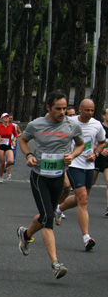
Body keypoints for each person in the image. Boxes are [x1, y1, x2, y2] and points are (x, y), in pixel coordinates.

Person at [17, 91, 84, 279]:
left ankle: (26, 234)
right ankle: (56, 263)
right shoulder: (36, 124)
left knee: (47, 214)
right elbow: (23, 140)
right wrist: (29, 155)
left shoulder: (72, 125)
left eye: (64, 108)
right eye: (58, 109)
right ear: (48, 107)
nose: (62, 112)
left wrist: (73, 155)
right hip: (39, 177)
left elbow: (80, 144)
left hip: (58, 177)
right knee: (48, 218)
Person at [55, 99, 105, 251]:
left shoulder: (97, 125)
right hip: (73, 164)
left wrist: (95, 154)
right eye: (87, 110)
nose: (89, 113)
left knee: (80, 199)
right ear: (80, 109)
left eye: (92, 110)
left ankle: (58, 209)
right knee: (83, 199)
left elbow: (102, 142)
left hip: (89, 165)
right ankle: (86, 237)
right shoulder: (70, 122)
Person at [93, 107, 108, 217]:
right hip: (97, 158)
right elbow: (90, 142)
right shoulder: (99, 128)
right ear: (104, 116)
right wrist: (99, 149)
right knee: (90, 183)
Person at [0, 113, 18, 183]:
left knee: (11, 160)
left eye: (7, 117)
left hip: (8, 145)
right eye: (5, 117)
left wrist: (13, 141)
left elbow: (16, 135)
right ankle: (0, 177)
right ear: (2, 119)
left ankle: (6, 166)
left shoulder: (12, 126)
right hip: (1, 145)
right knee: (2, 162)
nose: (6, 118)